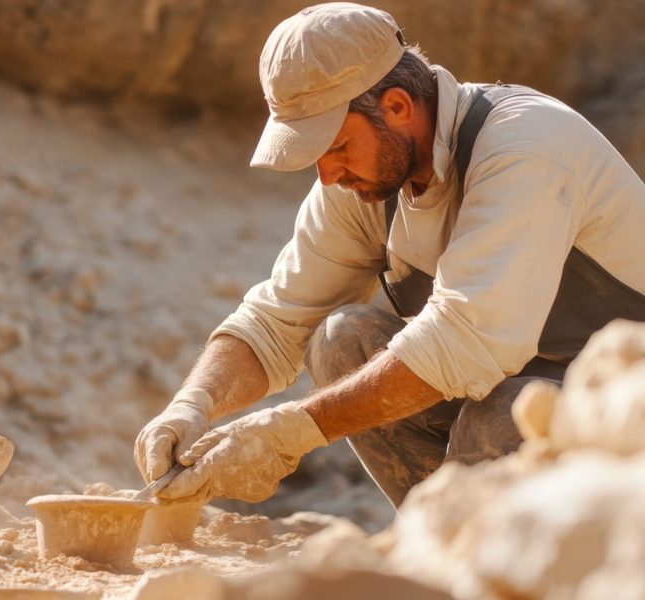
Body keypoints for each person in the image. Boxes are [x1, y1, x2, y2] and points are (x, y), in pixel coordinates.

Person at [134, 2, 645, 508]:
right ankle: (435, 545)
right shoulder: (365, 183)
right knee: (344, 340)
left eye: (335, 147)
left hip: (626, 412)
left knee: (502, 415)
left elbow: (467, 340)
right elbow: (275, 321)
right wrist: (192, 404)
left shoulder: (526, 147)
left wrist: (288, 432)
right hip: (525, 391)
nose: (328, 175)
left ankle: (464, 561)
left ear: (397, 107)